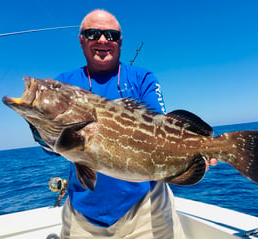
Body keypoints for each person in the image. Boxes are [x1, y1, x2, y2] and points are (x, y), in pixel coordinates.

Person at [32, 9, 217, 239]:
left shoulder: (142, 78)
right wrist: (40, 130)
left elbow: (162, 129)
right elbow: (52, 149)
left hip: (147, 208)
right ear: (81, 41)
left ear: (120, 42)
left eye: (110, 35)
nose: (102, 40)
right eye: (93, 33)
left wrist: (195, 154)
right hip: (83, 216)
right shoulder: (65, 82)